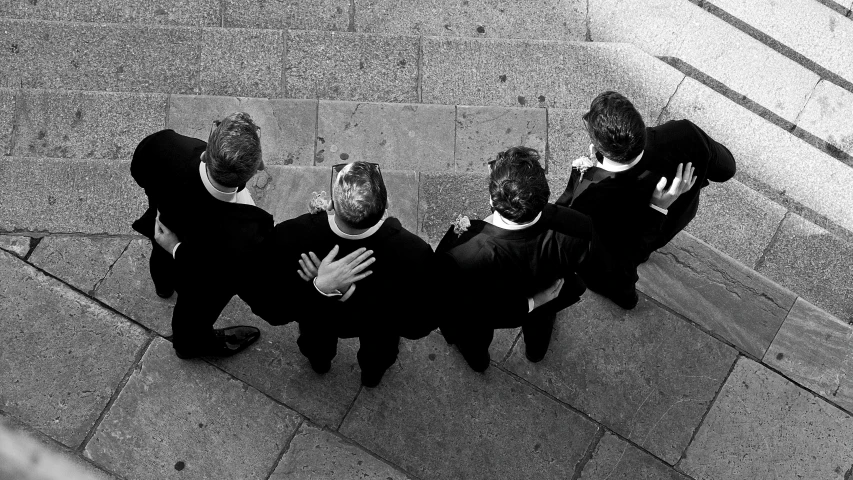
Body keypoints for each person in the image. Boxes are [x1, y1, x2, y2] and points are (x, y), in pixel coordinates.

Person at [156, 161, 434, 387]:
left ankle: (320, 365)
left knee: (317, 348)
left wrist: (319, 287)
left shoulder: (293, 236)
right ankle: (371, 378)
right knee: (378, 356)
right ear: (386, 207)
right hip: (380, 331)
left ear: (332, 206)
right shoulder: (415, 251)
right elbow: (421, 322)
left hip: (318, 322)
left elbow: (275, 306)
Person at [132, 113, 369, 359]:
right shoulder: (250, 232)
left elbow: (139, 170)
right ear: (258, 168)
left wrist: (172, 247)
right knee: (195, 309)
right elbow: (219, 271)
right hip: (202, 276)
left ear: (205, 154)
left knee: (161, 263)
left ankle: (163, 286)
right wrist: (179, 251)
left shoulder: (167, 146)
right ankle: (189, 345)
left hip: (163, 231)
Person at [556, 91, 735, 309]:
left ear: (595, 149)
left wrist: (582, 175)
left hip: (639, 241)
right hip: (676, 222)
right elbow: (726, 169)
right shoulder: (685, 133)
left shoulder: (589, 200)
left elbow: (625, 256)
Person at [435, 147, 594, 372]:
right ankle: (536, 352)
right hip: (548, 293)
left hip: (490, 313)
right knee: (541, 321)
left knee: (473, 337)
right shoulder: (577, 227)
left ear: (492, 198)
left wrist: (529, 304)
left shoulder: (464, 252)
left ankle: (479, 363)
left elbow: (457, 299)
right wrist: (536, 303)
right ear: (542, 192)